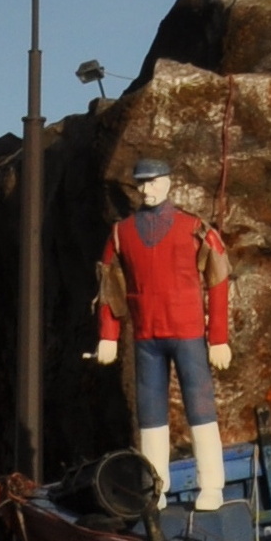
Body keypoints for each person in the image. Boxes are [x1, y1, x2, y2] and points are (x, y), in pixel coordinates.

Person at [95, 155, 232, 509]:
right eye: (141, 183)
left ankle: (212, 484)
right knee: (151, 413)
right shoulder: (121, 232)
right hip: (146, 338)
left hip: (187, 333)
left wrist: (218, 337)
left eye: (154, 181)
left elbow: (218, 279)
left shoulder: (193, 227)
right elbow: (109, 285)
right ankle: (154, 486)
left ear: (169, 182)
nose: (147, 189)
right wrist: (108, 335)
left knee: (200, 406)